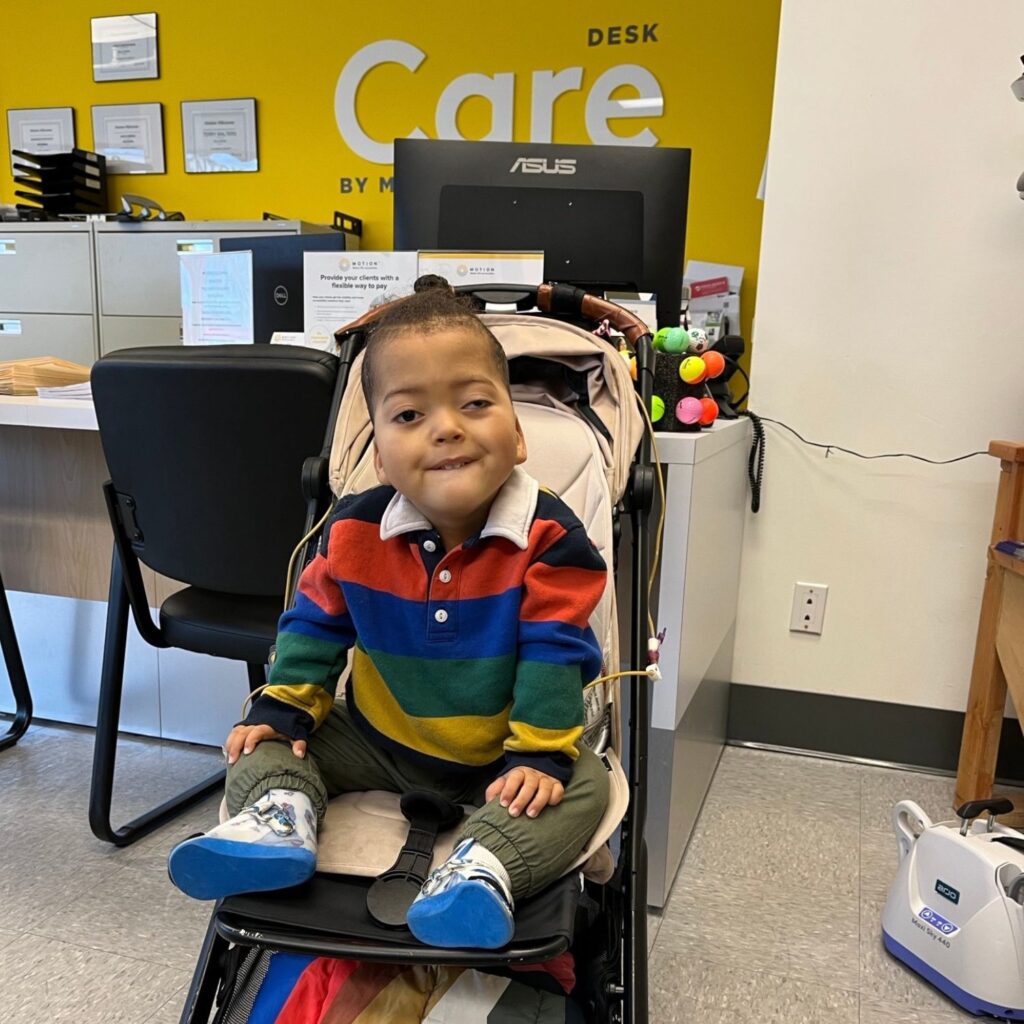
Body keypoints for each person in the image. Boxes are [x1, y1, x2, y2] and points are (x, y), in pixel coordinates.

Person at [167, 285, 610, 949]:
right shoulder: (353, 531)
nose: (446, 427)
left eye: (475, 404)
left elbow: (554, 651)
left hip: (502, 752)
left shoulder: (551, 537)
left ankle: (481, 868)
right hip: (379, 739)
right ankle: (281, 817)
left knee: (584, 784)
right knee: (259, 737)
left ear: (518, 437)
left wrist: (539, 756)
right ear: (379, 456)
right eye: (409, 415)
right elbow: (315, 628)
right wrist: (284, 708)